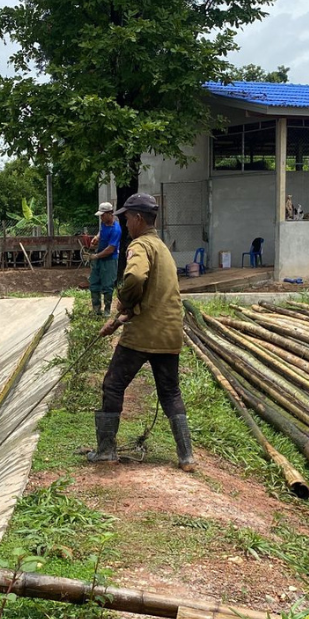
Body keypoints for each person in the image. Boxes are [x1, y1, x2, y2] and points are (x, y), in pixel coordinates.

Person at [85, 193, 196, 472]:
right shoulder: (162, 248)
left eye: (127, 218)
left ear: (137, 218)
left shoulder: (140, 245)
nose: (125, 223)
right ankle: (186, 456)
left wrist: (124, 301)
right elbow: (154, 297)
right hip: (170, 331)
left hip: (144, 333)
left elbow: (135, 278)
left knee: (113, 384)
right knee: (170, 392)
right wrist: (122, 317)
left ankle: (106, 451)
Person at [86, 201, 122, 316]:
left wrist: (96, 256)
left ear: (110, 213)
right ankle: (96, 310)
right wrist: (97, 238)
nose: (101, 217)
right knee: (94, 283)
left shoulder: (116, 229)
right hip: (99, 258)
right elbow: (101, 232)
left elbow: (110, 249)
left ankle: (107, 311)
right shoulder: (104, 224)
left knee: (107, 286)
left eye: (103, 215)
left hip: (110, 260)